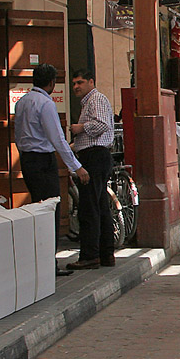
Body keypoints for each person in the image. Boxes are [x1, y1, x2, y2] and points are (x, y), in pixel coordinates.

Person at [14, 63, 90, 276]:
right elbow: (57, 139)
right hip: (42, 160)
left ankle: (39, 261)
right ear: (51, 83)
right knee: (50, 211)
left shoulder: (22, 102)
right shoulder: (45, 104)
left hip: (27, 159)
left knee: (37, 210)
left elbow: (18, 134)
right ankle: (49, 263)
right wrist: (76, 167)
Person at [66, 71, 116, 270]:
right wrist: (74, 145)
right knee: (100, 206)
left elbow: (102, 124)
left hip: (95, 157)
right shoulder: (89, 102)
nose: (76, 86)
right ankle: (105, 253)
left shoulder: (96, 99)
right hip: (94, 155)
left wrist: (81, 128)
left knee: (89, 208)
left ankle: (90, 255)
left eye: (80, 82)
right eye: (74, 83)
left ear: (91, 82)